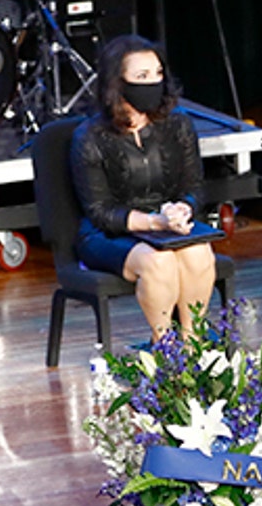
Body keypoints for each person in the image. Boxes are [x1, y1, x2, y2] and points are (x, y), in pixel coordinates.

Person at [70, 35, 218, 336]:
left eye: (158, 74)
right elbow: (100, 212)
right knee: (158, 262)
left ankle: (192, 346)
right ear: (117, 82)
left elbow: (195, 187)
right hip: (109, 232)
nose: (153, 82)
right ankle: (164, 349)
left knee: (199, 252)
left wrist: (183, 208)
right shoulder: (90, 137)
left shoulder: (179, 125)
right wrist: (153, 222)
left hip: (167, 225)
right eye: (142, 76)